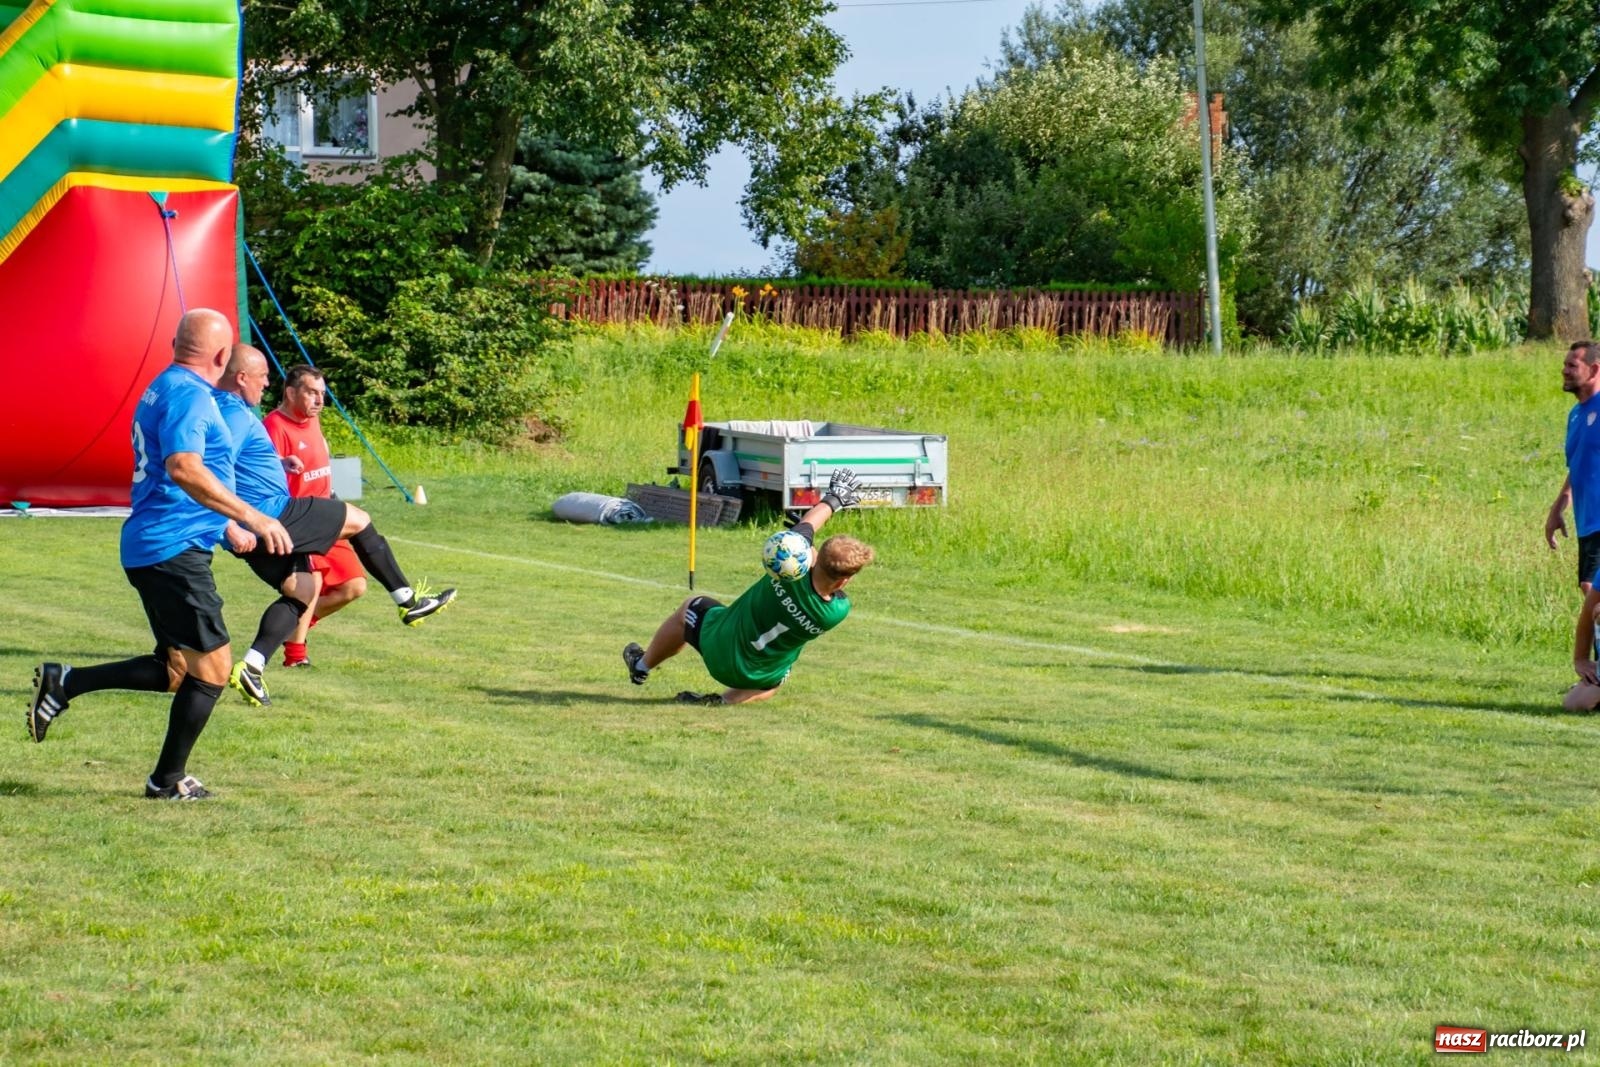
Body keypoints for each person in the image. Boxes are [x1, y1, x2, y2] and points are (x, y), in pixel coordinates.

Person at [25, 308, 293, 800]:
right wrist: (253, 516)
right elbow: (185, 468)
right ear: (219, 355)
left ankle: (66, 682)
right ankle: (166, 782)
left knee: (176, 671)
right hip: (170, 551)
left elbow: (188, 476)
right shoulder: (190, 397)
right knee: (212, 670)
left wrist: (224, 523)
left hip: (162, 543)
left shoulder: (167, 385)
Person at [215, 345, 457, 707]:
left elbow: (232, 464)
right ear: (241, 377)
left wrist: (276, 466)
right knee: (359, 520)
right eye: (263, 376)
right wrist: (228, 524)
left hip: (257, 523)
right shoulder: (235, 415)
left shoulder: (233, 411)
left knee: (302, 589)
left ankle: (252, 666)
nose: (268, 383)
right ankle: (408, 601)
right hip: (271, 514)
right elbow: (209, 469)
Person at [622, 468, 873, 705]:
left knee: (692, 605)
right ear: (844, 581)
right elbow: (818, 573)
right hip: (758, 679)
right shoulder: (837, 611)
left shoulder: (786, 572)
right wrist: (806, 545)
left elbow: (808, 529)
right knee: (778, 679)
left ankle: (641, 666)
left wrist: (834, 499)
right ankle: (723, 700)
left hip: (719, 652)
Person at [262, 363, 367, 668]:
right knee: (314, 581)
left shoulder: (313, 421)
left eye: (322, 393)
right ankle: (295, 655)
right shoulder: (275, 426)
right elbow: (264, 472)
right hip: (301, 518)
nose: (320, 400)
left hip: (328, 513)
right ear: (291, 392)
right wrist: (282, 463)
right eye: (312, 392)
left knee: (354, 587)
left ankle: (294, 628)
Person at [1547, 339, 1600, 712]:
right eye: (1565, 364)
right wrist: (1560, 503)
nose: (1565, 370)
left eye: (1572, 365)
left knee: (1595, 599)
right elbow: (1578, 463)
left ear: (1595, 370)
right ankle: (1593, 674)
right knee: (1591, 594)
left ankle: (1592, 675)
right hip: (1587, 521)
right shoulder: (1575, 415)